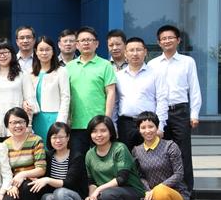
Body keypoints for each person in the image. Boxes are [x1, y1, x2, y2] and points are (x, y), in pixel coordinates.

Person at [148, 24, 201, 200]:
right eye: (163, 38)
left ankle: (187, 196)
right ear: (158, 42)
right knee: (163, 155)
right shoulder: (152, 64)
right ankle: (167, 195)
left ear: (178, 40)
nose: (167, 41)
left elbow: (194, 89)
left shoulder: (187, 62)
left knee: (183, 154)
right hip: (159, 113)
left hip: (180, 112)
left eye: (171, 37)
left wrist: (194, 114)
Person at [83, 116, 144, 200]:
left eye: (103, 130)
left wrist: (99, 190)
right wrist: (91, 196)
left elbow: (122, 179)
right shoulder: (89, 154)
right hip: (107, 195)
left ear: (111, 132)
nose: (98, 135)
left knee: (109, 194)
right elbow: (91, 181)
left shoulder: (119, 148)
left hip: (132, 193)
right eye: (94, 131)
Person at [133, 111, 190, 200]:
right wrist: (148, 191)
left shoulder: (170, 146)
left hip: (176, 195)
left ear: (157, 127)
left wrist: (157, 189)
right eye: (143, 127)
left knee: (160, 191)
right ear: (139, 130)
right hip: (151, 197)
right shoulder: (136, 150)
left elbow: (179, 174)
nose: (147, 130)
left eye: (151, 126)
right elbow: (139, 176)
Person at [29, 122, 88, 200]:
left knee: (60, 193)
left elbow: (69, 183)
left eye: (61, 137)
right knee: (46, 199)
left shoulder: (77, 156)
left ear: (68, 138)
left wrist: (47, 180)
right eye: (54, 137)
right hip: (58, 198)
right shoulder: (48, 156)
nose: (58, 141)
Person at [66, 26, 117, 159]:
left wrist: (107, 119)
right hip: (76, 123)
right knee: (77, 160)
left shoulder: (105, 65)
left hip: (98, 123)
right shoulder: (69, 67)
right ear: (77, 44)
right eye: (82, 40)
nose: (86, 43)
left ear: (97, 43)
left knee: (101, 160)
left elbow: (111, 92)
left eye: (89, 40)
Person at [115, 37, 168, 151]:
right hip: (125, 125)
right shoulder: (118, 76)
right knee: (126, 158)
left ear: (145, 52)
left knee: (149, 158)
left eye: (138, 50)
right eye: (131, 50)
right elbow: (115, 103)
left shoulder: (156, 74)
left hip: (148, 124)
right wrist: (114, 126)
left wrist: (160, 126)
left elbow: (162, 100)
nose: (135, 53)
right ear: (125, 53)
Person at [1, 108, 46, 200]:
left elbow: (41, 169)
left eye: (21, 122)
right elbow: (5, 171)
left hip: (33, 183)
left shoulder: (36, 140)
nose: (17, 125)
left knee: (27, 186)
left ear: (26, 123)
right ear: (7, 125)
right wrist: (12, 185)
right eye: (13, 122)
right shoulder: (5, 145)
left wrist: (22, 175)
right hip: (14, 183)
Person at [30, 36, 70, 142]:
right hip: (35, 119)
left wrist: (61, 121)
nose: (44, 53)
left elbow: (65, 98)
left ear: (53, 52)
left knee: (53, 147)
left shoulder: (61, 71)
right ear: (36, 52)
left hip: (54, 117)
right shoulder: (30, 72)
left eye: (47, 49)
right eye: (41, 50)